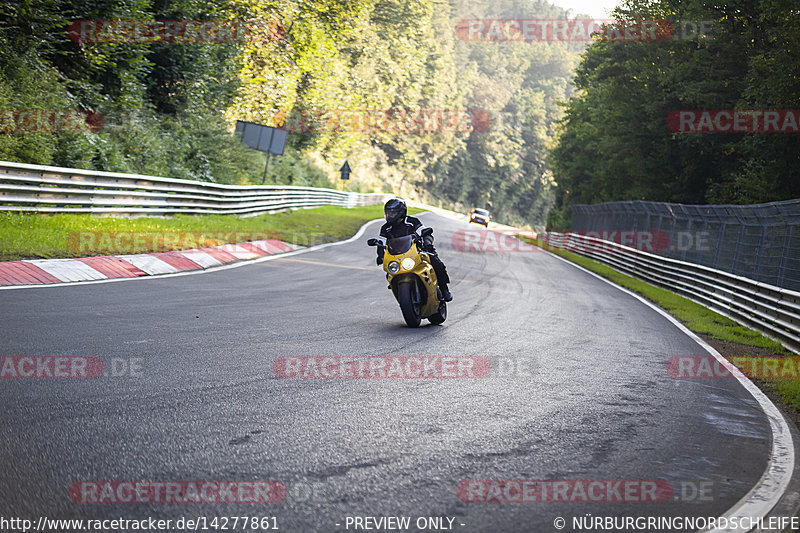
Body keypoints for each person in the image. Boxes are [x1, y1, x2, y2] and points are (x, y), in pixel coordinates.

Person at [375, 198, 452, 302]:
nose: (390, 215)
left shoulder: (412, 222)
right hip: (397, 256)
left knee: (436, 263)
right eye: (388, 213)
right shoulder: (385, 228)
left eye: (393, 213)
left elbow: (424, 232)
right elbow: (381, 244)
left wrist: (427, 243)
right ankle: (400, 292)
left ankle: (444, 288)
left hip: (418, 251)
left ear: (401, 213)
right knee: (390, 272)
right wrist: (380, 256)